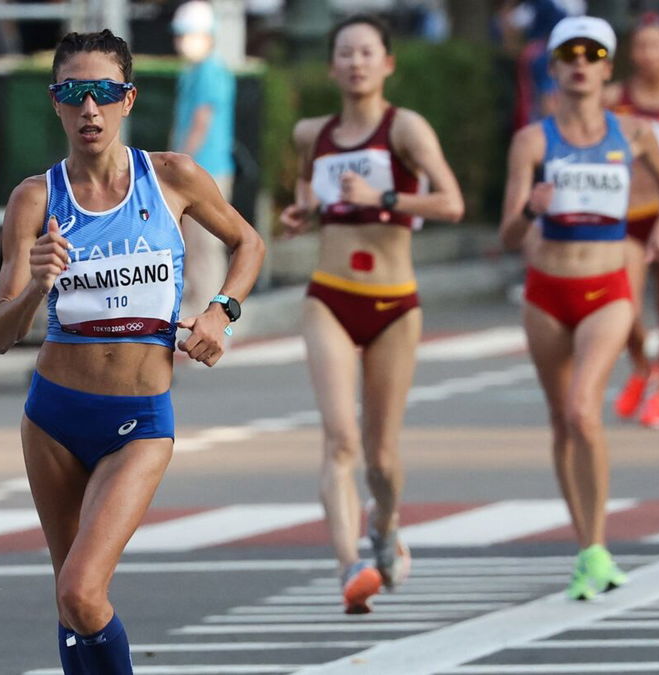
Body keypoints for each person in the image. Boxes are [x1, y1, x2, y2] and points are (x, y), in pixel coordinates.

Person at [0, 30, 265, 673]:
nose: (90, 109)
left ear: (128, 99)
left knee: (83, 592)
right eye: (74, 93)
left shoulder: (172, 178)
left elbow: (248, 244)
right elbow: (1, 334)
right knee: (70, 600)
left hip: (140, 422)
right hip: (54, 417)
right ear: (55, 103)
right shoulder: (35, 198)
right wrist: (36, 285)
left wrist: (221, 313)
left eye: (104, 93)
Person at [279, 14, 464, 614]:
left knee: (381, 457)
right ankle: (349, 565)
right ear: (331, 66)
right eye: (345, 53)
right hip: (330, 294)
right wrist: (302, 213)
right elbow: (308, 189)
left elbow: (452, 203)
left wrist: (384, 198)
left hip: (393, 302)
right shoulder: (312, 132)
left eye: (367, 53)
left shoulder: (404, 128)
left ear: (387, 63)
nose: (355, 63)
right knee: (340, 439)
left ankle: (384, 525)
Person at [500, 16, 659, 600]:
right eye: (569, 53)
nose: (579, 63)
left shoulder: (636, 134)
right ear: (555, 64)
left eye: (592, 54)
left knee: (582, 413)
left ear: (606, 68)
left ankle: (597, 548)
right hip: (547, 291)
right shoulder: (534, 141)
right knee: (560, 421)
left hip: (607, 291)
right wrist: (531, 209)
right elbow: (508, 237)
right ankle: (588, 546)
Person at [604, 14, 659, 428]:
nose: (647, 55)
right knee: (624, 307)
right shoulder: (613, 99)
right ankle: (643, 367)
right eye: (640, 46)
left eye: (655, 46)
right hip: (625, 216)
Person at [170, 0, 238, 321]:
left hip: (206, 170)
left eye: (191, 35)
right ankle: (199, 304)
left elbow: (201, 120)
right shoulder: (198, 70)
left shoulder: (209, 71)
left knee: (206, 244)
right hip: (200, 169)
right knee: (195, 245)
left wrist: (181, 161)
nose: (184, 42)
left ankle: (211, 311)